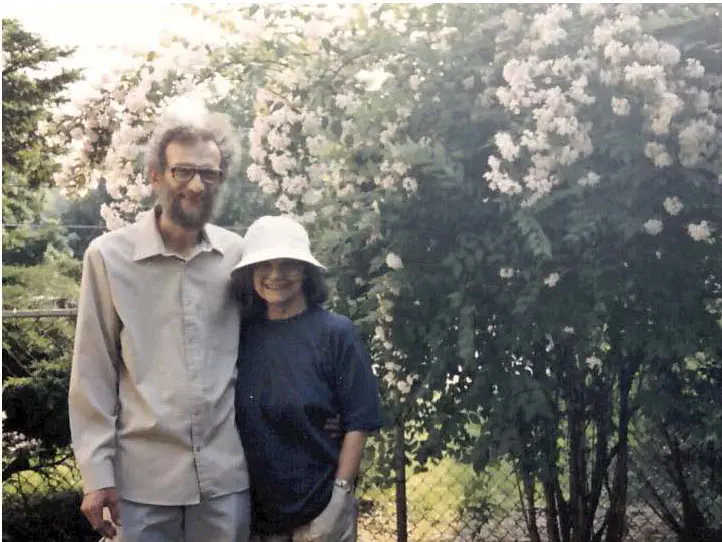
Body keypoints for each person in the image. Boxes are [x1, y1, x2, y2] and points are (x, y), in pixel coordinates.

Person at [68, 99, 251, 542]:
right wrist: (97, 474)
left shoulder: (238, 256)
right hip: (141, 485)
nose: (197, 185)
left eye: (210, 173)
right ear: (154, 176)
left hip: (225, 482)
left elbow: (273, 344)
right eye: (182, 171)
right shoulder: (109, 258)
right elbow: (93, 371)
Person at [231, 215, 384, 542]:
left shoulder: (335, 333)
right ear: (250, 273)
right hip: (251, 520)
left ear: (306, 271)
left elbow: (358, 421)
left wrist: (338, 504)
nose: (276, 275)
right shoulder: (239, 334)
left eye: (289, 264)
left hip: (318, 515)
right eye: (264, 265)